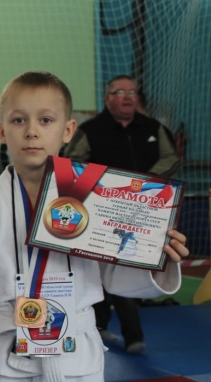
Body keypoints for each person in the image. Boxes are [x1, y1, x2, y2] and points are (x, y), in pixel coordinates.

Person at [0, 71, 188, 381]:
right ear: (2, 131)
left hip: (78, 361)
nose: (32, 131)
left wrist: (158, 257)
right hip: (7, 360)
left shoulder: (93, 197)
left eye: (46, 120)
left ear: (68, 130)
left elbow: (114, 276)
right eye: (18, 120)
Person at [64, 75, 180, 354]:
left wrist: (145, 182)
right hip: (102, 211)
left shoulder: (154, 128)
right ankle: (105, 327)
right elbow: (72, 162)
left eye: (132, 92)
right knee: (96, 269)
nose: (128, 96)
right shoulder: (91, 129)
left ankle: (131, 336)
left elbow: (171, 158)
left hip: (144, 210)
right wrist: (106, 185)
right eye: (120, 92)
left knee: (125, 267)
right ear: (107, 99)